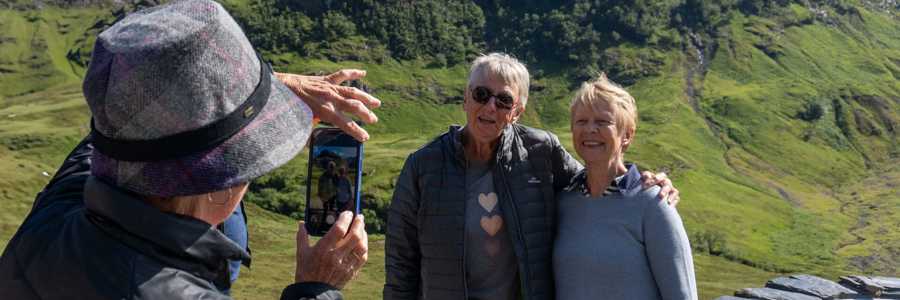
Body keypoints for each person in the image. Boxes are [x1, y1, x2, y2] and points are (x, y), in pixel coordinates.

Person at [0, 0, 380, 299]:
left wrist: (250, 90)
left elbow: (123, 119)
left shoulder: (58, 212)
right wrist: (316, 289)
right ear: (219, 186)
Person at [384, 53, 681, 300]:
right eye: (481, 94)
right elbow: (401, 264)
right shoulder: (423, 166)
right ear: (465, 99)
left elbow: (594, 181)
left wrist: (646, 182)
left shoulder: (541, 151)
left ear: (518, 112)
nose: (490, 106)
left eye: (503, 100)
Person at [553, 74, 696, 299]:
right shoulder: (564, 202)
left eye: (602, 122)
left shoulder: (653, 203)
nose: (590, 129)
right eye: (582, 121)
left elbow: (682, 295)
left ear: (627, 135)